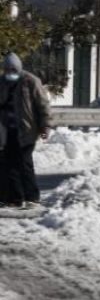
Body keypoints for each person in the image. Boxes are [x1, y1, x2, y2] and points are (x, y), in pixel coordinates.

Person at [0, 53, 50, 209]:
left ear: (19, 68)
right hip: (7, 131)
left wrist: (45, 126)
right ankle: (14, 198)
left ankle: (32, 198)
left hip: (27, 131)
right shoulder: (2, 82)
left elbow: (43, 106)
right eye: (7, 69)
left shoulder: (31, 81)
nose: (10, 72)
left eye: (13, 69)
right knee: (9, 165)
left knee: (24, 163)